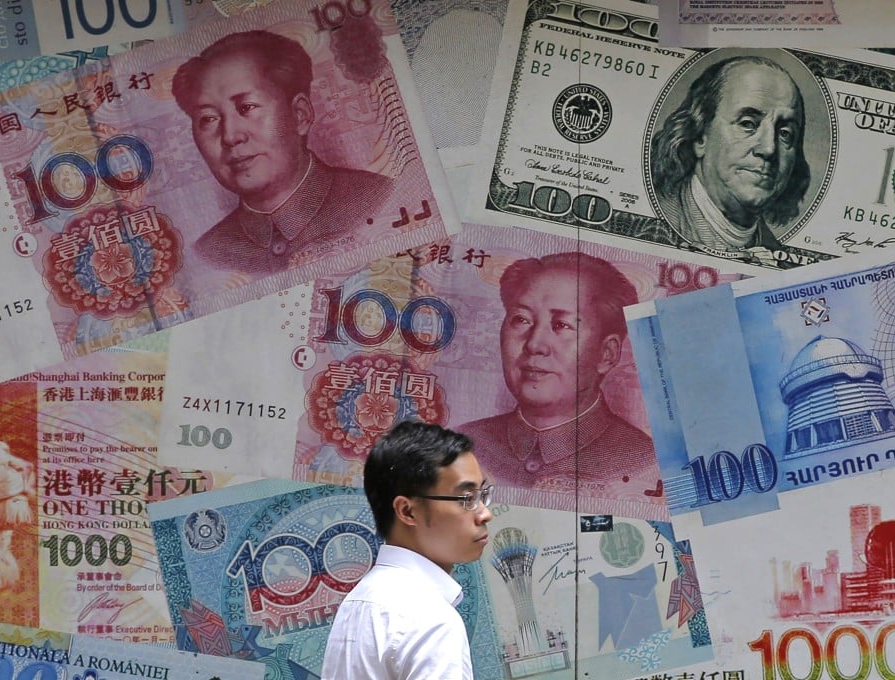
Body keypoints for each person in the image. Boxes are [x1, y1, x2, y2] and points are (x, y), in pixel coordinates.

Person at [172, 30, 394, 277]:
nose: (230, 136)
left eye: (247, 107)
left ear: (300, 115)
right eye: (208, 118)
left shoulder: (383, 199)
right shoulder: (209, 254)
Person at [458, 252, 659, 498]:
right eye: (521, 320)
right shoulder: (461, 443)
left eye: (561, 325)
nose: (534, 344)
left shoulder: (646, 463)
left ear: (607, 353)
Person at [321, 421, 493, 679]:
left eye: (483, 495)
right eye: (467, 498)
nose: (485, 514)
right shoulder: (432, 619)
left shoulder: (358, 601)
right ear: (407, 511)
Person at [650, 55, 811, 263]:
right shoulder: (655, 225)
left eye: (785, 133)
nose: (769, 148)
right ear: (700, 136)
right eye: (747, 124)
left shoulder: (782, 262)